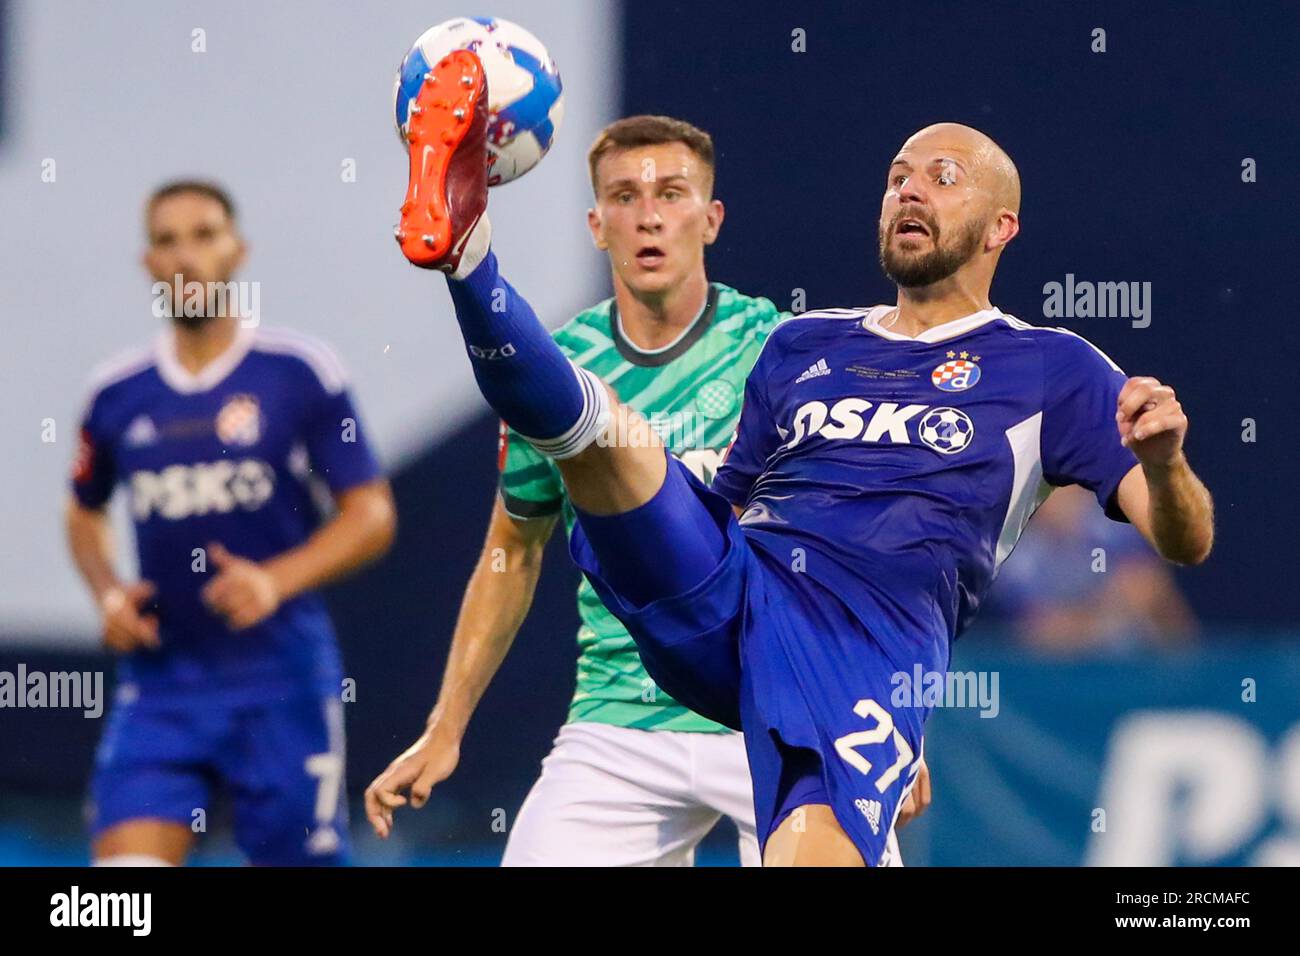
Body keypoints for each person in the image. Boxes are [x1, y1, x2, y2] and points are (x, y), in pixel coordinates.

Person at [380, 50, 1212, 865]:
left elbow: (1187, 540)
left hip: (860, 650)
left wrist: (1167, 462)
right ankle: (466, 254)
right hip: (735, 592)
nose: (909, 189)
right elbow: (726, 505)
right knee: (611, 437)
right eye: (897, 177)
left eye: (943, 177)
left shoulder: (1051, 367)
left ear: (1003, 227)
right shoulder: (803, 345)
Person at [366, 115, 926, 866]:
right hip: (620, 722)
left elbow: (852, 547)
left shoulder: (783, 353)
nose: (650, 215)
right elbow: (513, 550)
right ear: (597, 225)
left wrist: (892, 714)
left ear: (711, 217)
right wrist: (446, 725)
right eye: (625, 197)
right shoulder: (559, 370)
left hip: (778, 707)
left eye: (672, 192)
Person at [66, 181, 396, 865]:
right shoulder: (115, 394)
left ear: (237, 250)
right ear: (148, 263)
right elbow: (83, 509)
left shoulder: (298, 373)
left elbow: (371, 513)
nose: (186, 255)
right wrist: (106, 590)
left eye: (204, 234)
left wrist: (276, 580)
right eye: (166, 240)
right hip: (160, 687)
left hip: (280, 682)